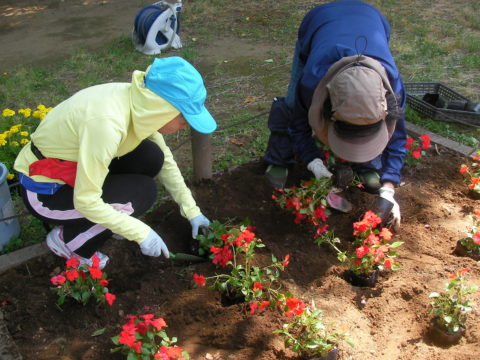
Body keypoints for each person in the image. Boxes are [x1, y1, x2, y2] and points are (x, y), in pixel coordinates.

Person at [14, 56, 216, 269]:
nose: (185, 125)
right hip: (48, 192)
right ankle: (69, 242)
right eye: (184, 117)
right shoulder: (107, 124)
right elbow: (86, 201)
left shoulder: (139, 104)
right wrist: (141, 233)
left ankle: (110, 219)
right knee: (143, 193)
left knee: (151, 157)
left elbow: (164, 161)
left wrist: (192, 211)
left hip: (76, 171)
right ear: (162, 108)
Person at [263, 0, 406, 230]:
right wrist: (314, 163)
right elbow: (299, 124)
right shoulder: (312, 81)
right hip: (319, 24)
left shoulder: (391, 88)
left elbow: (397, 137)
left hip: (371, 20)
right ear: (329, 112)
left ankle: (366, 162)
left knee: (365, 112)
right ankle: (279, 157)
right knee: (292, 103)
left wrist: (389, 187)